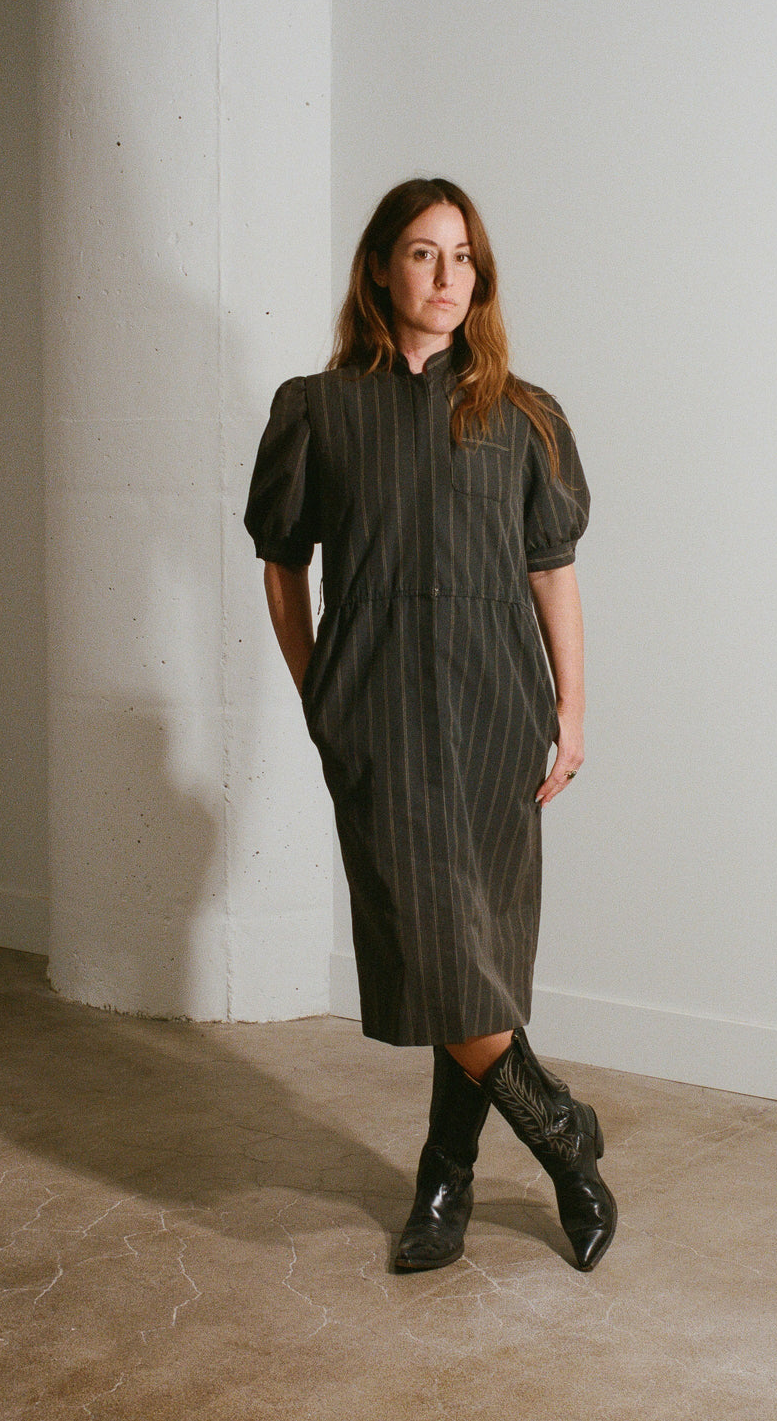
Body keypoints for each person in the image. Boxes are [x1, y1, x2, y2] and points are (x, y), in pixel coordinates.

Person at [244, 177, 616, 1273]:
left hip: (498, 712)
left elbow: (551, 571)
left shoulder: (521, 413)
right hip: (379, 716)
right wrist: (319, 692)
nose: (447, 276)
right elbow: (281, 561)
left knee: (478, 957)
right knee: (435, 947)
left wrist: (572, 708)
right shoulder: (317, 408)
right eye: (422, 252)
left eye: (463, 257)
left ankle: (444, 1181)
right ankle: (563, 1136)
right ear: (379, 268)